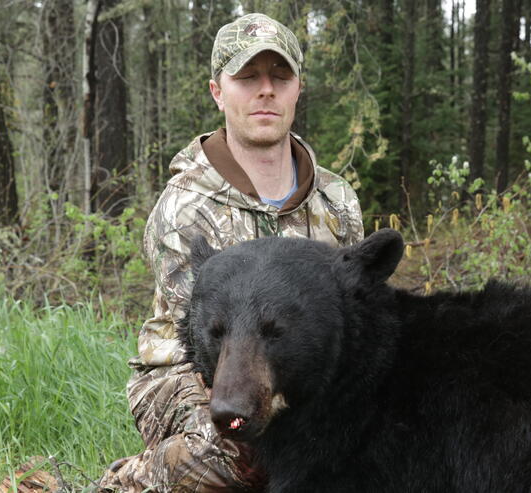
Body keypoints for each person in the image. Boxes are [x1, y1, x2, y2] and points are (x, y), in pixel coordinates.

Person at [97, 12, 364, 492]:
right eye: (247, 78)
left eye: (279, 77)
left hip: (294, 371)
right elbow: (200, 345)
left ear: (298, 89)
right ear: (218, 92)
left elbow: (352, 318)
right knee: (243, 447)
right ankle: (133, 480)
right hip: (187, 372)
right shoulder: (184, 207)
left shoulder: (336, 199)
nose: (266, 91)